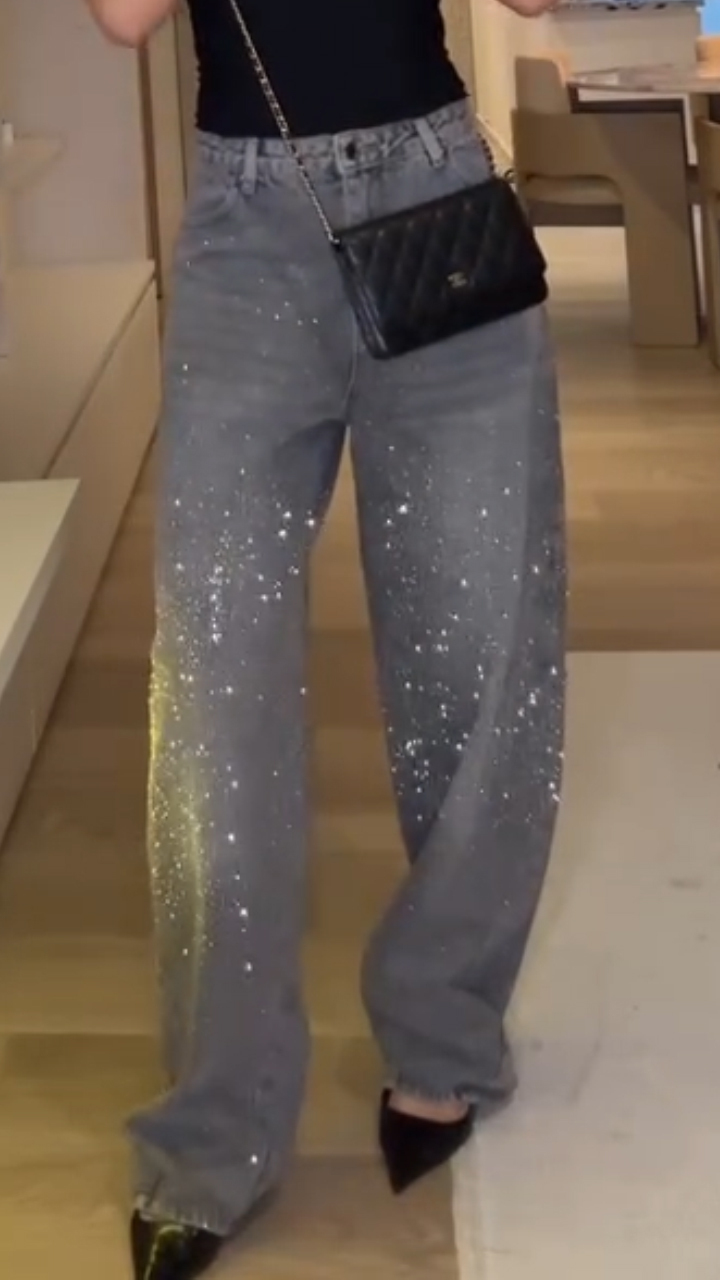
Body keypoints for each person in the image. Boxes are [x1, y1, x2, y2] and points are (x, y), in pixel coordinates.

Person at [88, 1, 566, 1276]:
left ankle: (444, 1033)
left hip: (438, 192)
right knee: (213, 695)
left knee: (480, 665)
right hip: (248, 237)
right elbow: (124, 18)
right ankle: (213, 1128)